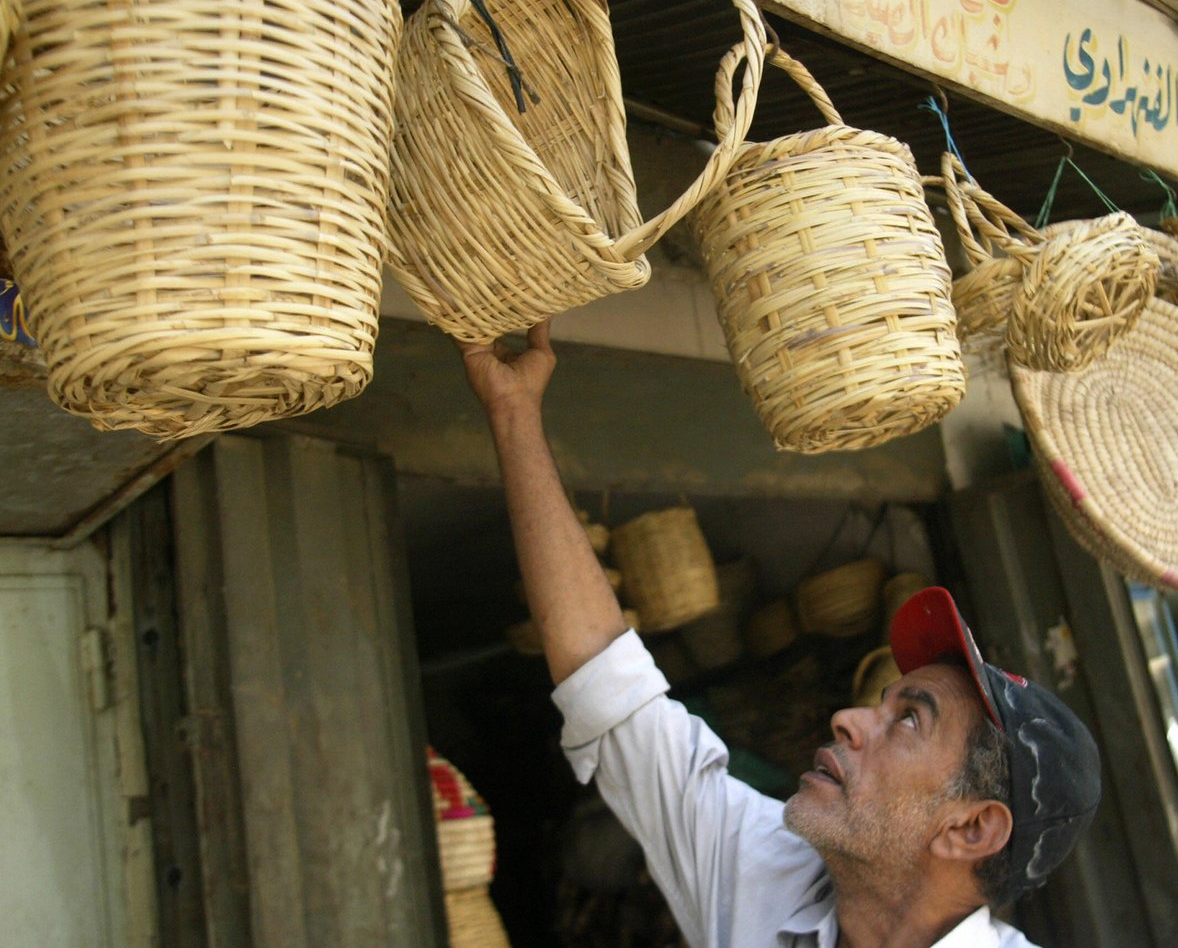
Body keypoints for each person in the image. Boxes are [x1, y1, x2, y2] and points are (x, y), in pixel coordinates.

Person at [460, 321, 1102, 948]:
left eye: (908, 721)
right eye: (885, 705)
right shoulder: (763, 868)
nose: (849, 719)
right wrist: (514, 412)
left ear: (971, 829)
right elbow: (605, 680)